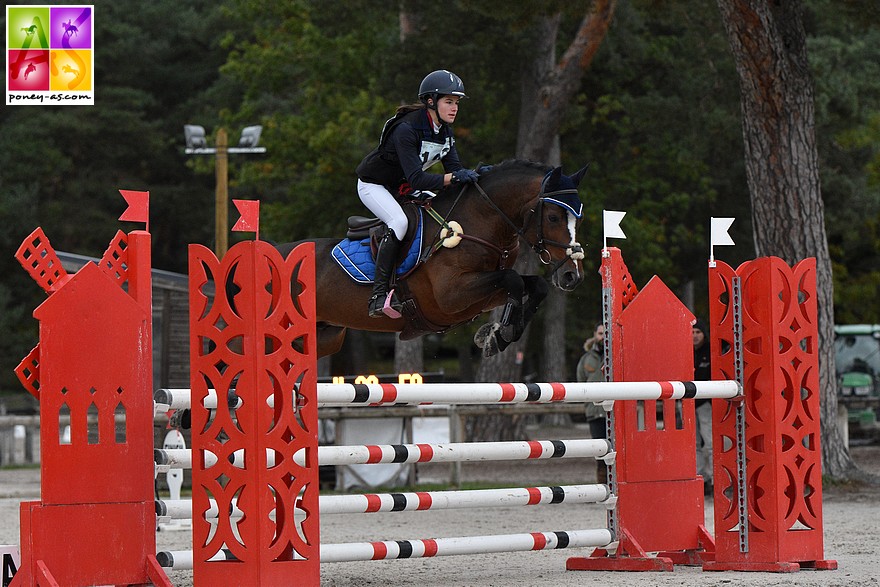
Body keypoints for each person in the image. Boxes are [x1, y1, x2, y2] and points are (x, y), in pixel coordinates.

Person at [355, 69, 479, 318]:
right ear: (431, 101)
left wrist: (478, 177)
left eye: (456, 103)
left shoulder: (445, 132)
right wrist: (455, 177)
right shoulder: (407, 129)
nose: (454, 108)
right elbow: (419, 178)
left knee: (439, 213)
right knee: (399, 222)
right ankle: (378, 296)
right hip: (375, 185)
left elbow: (454, 171)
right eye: (449, 102)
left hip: (403, 187)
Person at [576, 322, 607, 484]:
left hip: (616, 411)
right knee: (600, 452)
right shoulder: (585, 359)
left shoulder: (618, 354)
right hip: (594, 412)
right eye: (600, 333)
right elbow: (581, 382)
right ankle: (602, 486)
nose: (603, 337)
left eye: (606, 333)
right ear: (595, 335)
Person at [693, 319, 713, 495]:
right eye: (692, 332)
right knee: (694, 443)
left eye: (698, 332)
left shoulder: (710, 351)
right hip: (689, 402)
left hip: (706, 402)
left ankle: (715, 478)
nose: (694, 336)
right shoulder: (686, 352)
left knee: (710, 442)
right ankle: (701, 478)